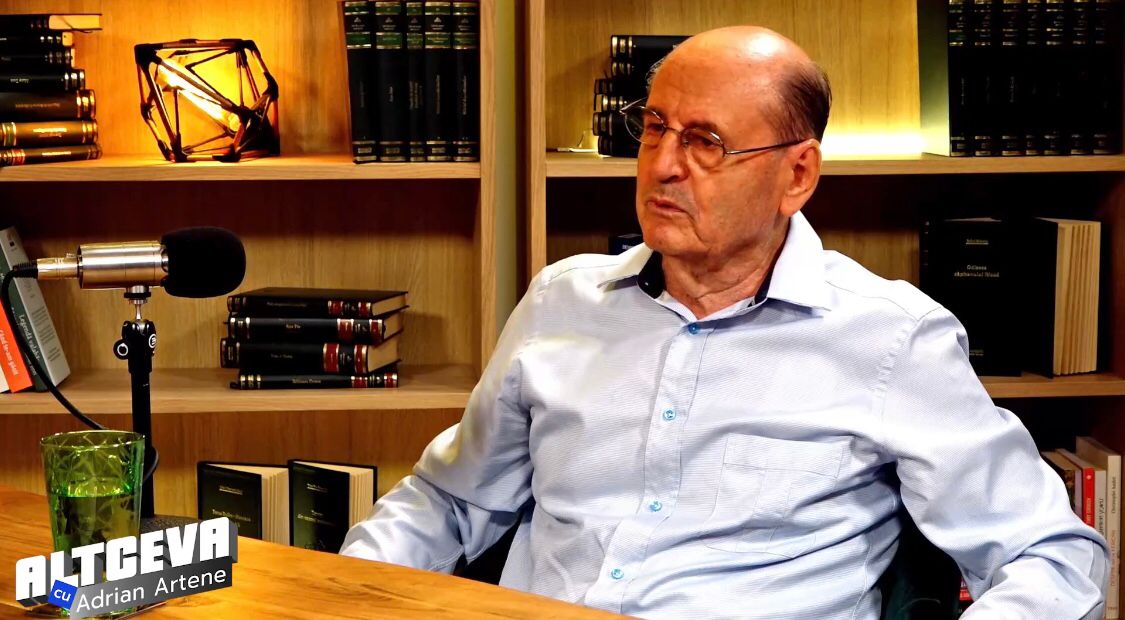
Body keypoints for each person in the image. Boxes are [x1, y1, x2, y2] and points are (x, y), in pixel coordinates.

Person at [340, 26, 1108, 619]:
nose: (662, 166)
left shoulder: (892, 338)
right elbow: (449, 502)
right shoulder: (560, 301)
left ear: (796, 175)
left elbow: (1050, 554)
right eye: (653, 128)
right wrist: (337, 594)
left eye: (705, 142)